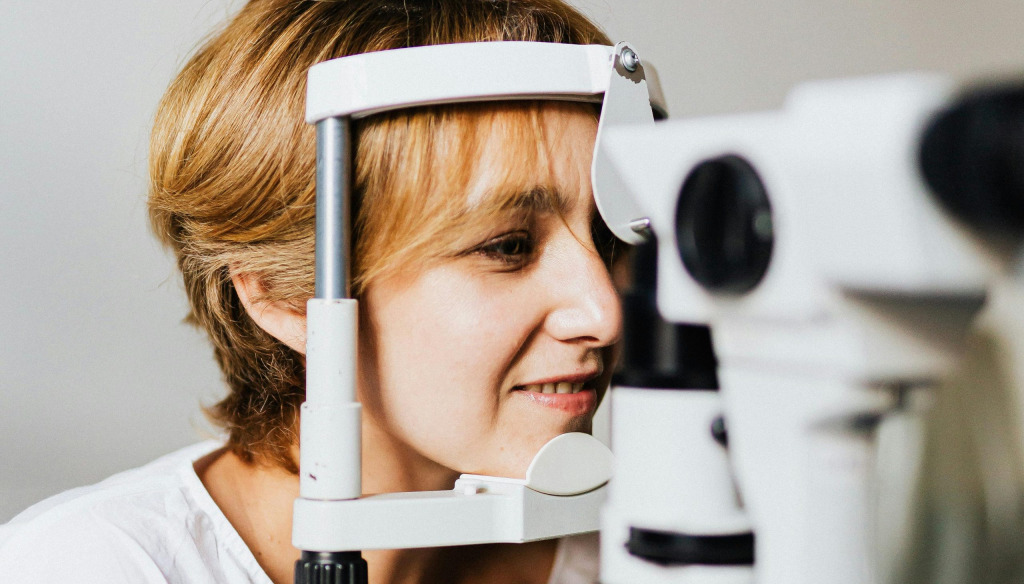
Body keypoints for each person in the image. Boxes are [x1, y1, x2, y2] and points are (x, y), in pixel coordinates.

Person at [0, 1, 624, 582]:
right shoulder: (89, 566)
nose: (605, 311)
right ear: (283, 292)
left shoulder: (638, 556)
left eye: (609, 233)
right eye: (508, 246)